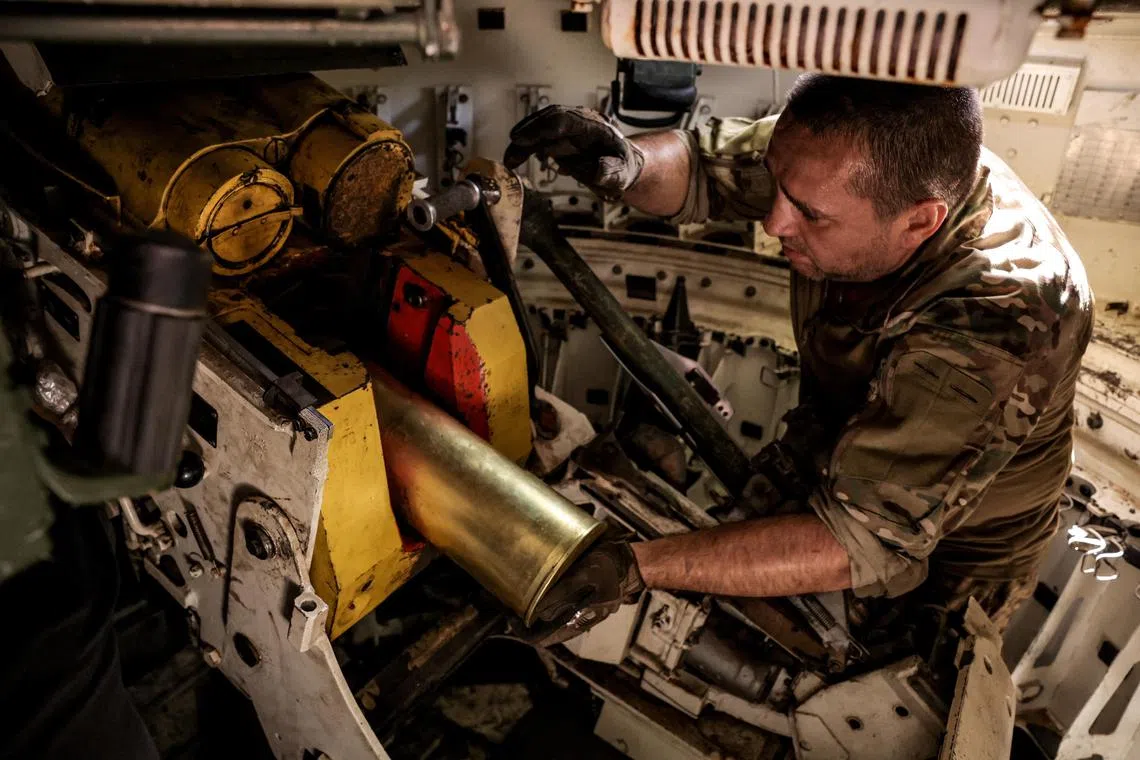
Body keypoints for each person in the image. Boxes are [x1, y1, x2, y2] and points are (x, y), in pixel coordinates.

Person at [515, 74, 1093, 651]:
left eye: (810, 216)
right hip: (837, 444)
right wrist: (630, 162)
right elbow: (699, 169)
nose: (773, 223)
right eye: (777, 186)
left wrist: (634, 567)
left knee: (882, 696)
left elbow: (856, 543)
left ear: (920, 222)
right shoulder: (841, 156)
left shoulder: (1001, 319)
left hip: (958, 547)